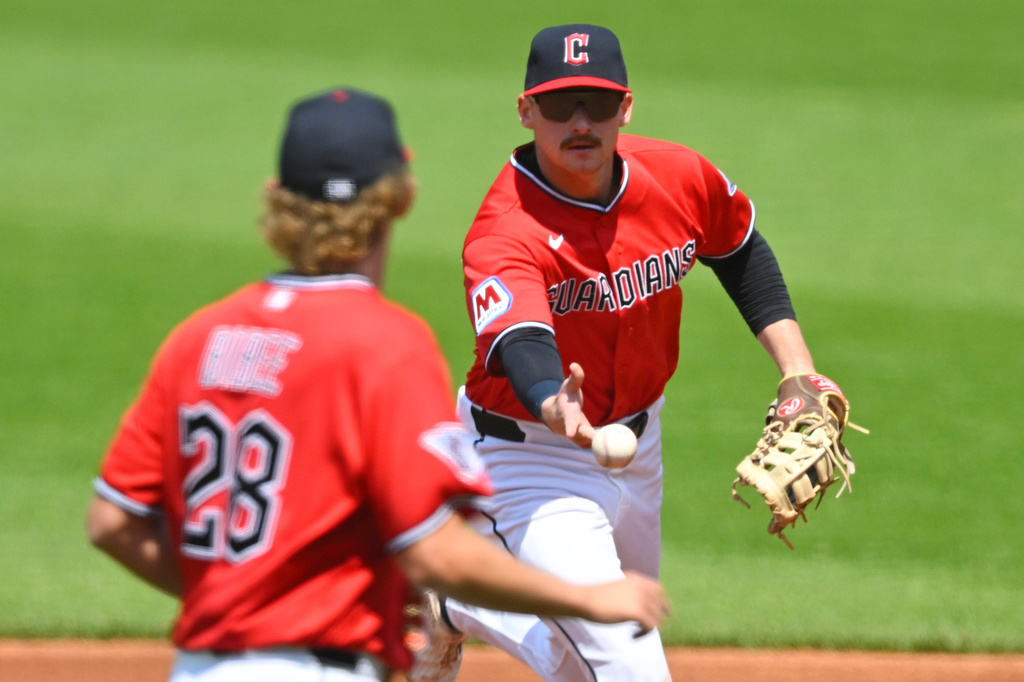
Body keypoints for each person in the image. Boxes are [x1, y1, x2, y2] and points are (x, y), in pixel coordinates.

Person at [85, 87, 670, 682]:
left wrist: (240, 596)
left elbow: (111, 522)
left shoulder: (200, 337)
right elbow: (433, 550)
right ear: (402, 199)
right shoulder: (385, 343)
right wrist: (589, 600)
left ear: (275, 196)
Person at [410, 24, 848, 682]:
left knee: (590, 658)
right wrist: (552, 400)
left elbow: (739, 248)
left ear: (627, 108)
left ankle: (454, 602)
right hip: (529, 454)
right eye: (560, 106)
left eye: (598, 103)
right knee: (627, 658)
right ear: (526, 110)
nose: (580, 123)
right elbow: (520, 339)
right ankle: (458, 598)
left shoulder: (677, 175)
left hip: (641, 446)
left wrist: (798, 367)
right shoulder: (507, 228)